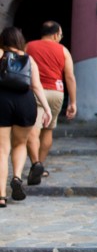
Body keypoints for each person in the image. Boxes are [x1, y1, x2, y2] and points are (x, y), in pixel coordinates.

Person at [1, 27, 51, 207]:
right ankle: (16, 177)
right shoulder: (29, 59)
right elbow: (36, 86)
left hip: (2, 102)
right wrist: (47, 109)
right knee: (20, 144)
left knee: (2, 149)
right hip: (25, 102)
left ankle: (1, 195)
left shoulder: (1, 55)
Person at [25, 21, 76, 184]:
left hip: (35, 91)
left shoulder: (29, 46)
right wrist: (73, 102)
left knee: (33, 130)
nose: (61, 37)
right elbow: (69, 76)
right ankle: (40, 165)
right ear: (55, 35)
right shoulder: (63, 50)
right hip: (56, 93)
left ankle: (36, 164)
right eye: (60, 35)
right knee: (48, 129)